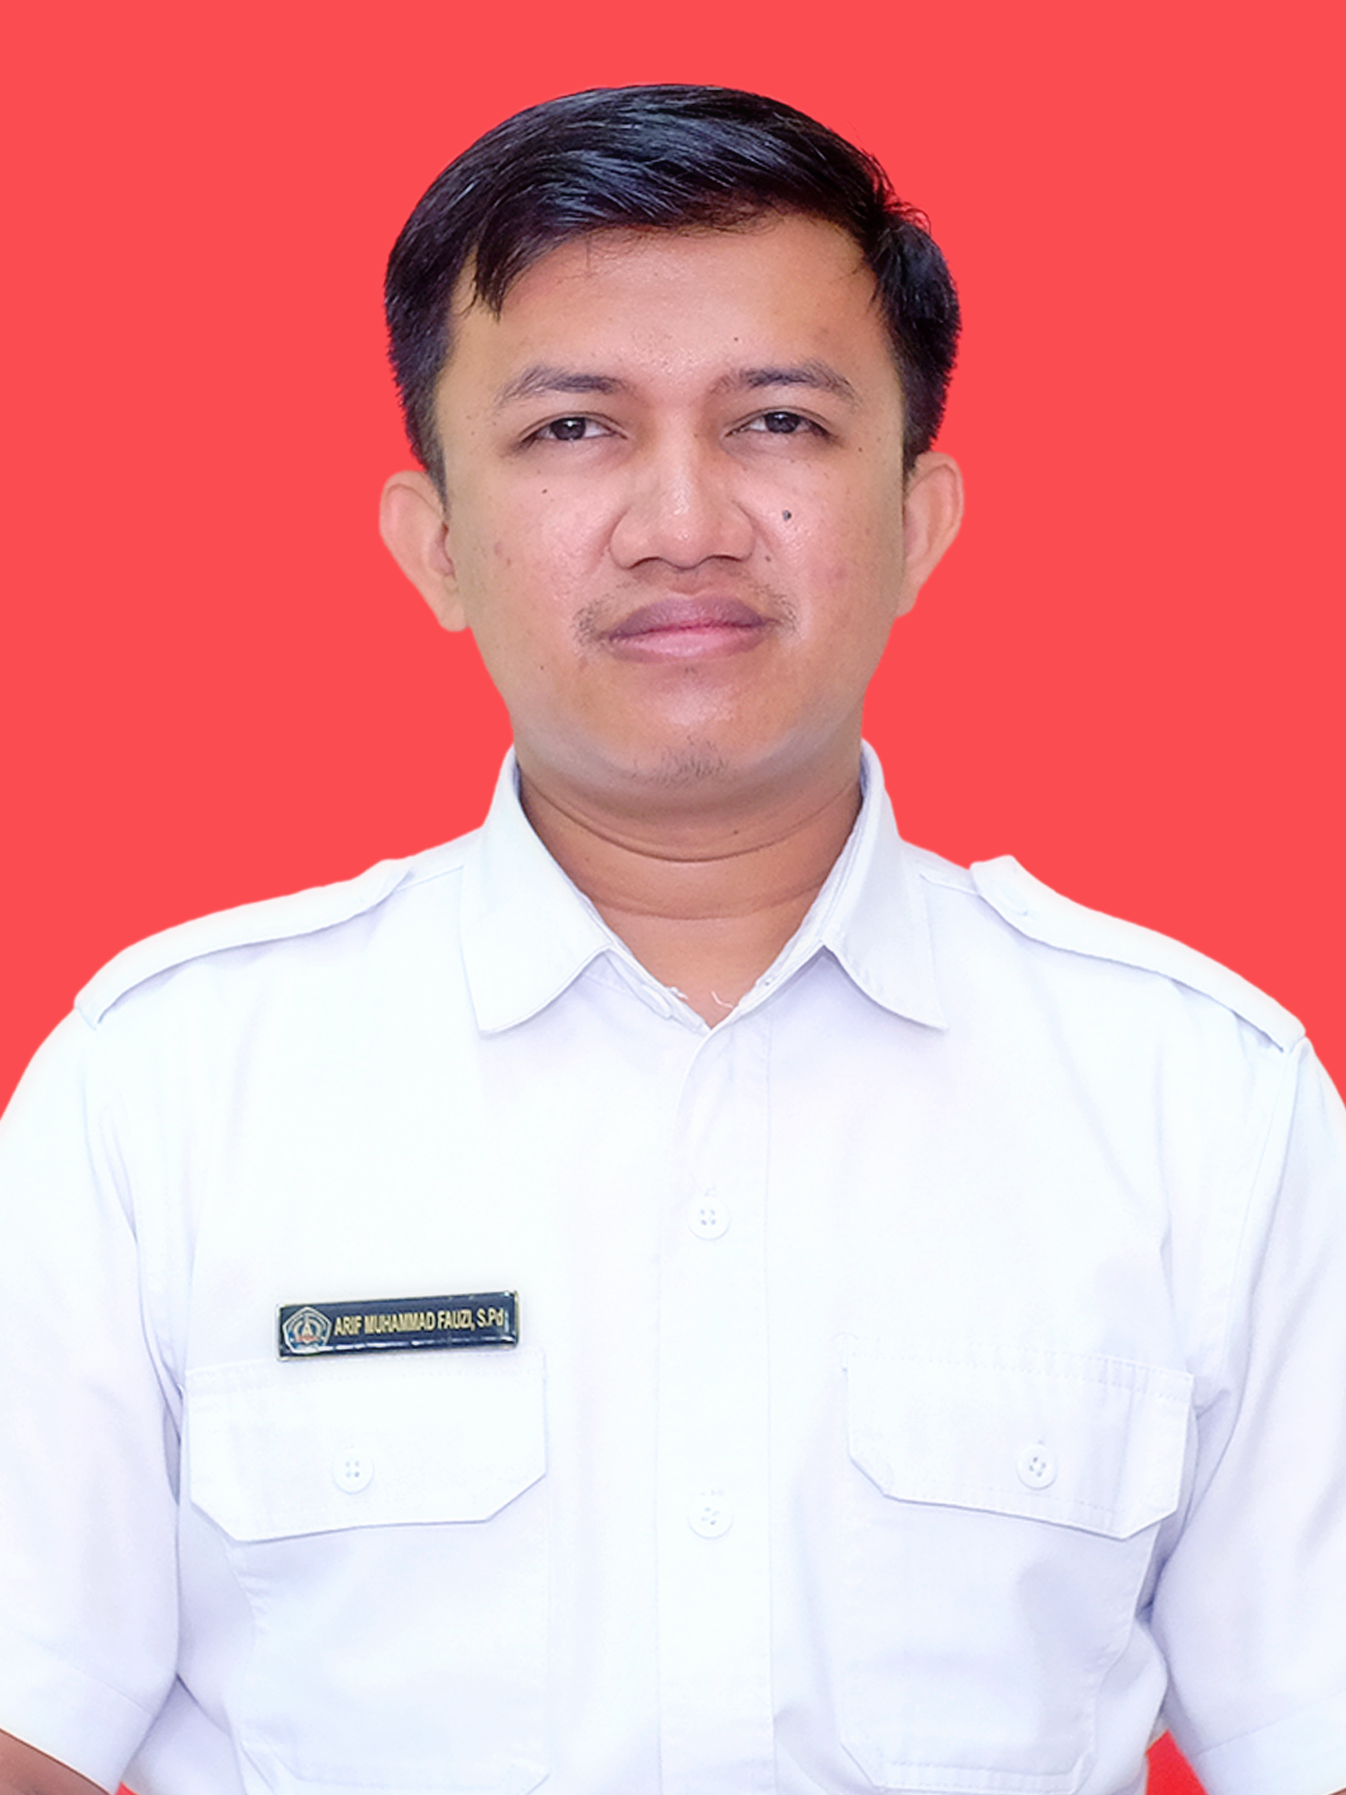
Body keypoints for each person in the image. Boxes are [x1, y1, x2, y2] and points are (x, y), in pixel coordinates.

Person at [0, 82, 1343, 1795]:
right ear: (437, 544)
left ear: (919, 518)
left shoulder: (1196, 1100)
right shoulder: (166, 1090)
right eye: (574, 428)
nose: (683, 522)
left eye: (777, 420)